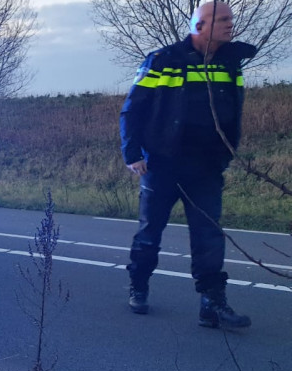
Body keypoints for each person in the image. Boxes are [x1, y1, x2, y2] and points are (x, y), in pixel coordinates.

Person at [120, 1, 256, 329]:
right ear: (199, 27)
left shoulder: (230, 63)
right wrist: (132, 153)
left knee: (209, 235)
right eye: (221, 20)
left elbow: (233, 111)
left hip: (207, 167)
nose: (229, 25)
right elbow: (132, 109)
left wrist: (226, 153)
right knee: (150, 233)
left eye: (229, 19)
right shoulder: (163, 61)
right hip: (162, 164)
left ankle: (212, 303)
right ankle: (139, 284)